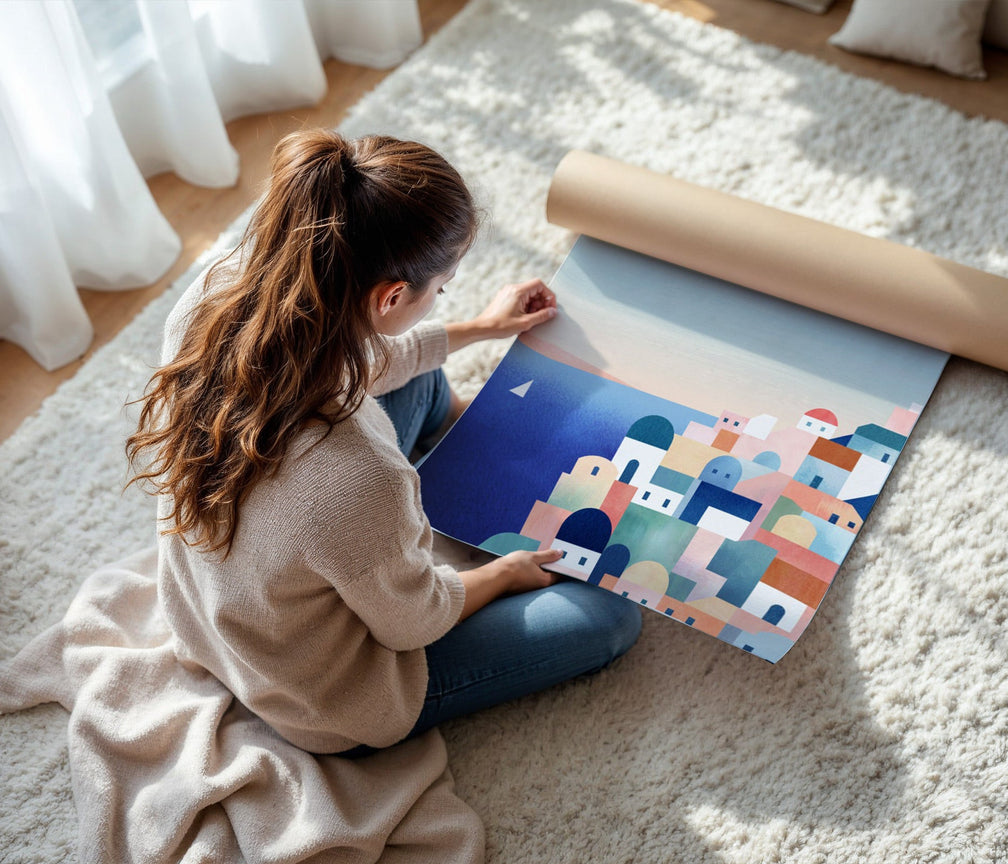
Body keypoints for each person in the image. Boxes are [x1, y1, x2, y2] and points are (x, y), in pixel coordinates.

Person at [126, 128, 642, 757]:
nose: (442, 298)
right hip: (320, 693)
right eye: (441, 289)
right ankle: (459, 495)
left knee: (420, 381)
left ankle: (470, 457)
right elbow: (413, 622)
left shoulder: (221, 289)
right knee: (608, 619)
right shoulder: (359, 475)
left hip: (217, 610)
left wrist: (481, 326)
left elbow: (367, 360)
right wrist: (506, 572)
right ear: (393, 295)